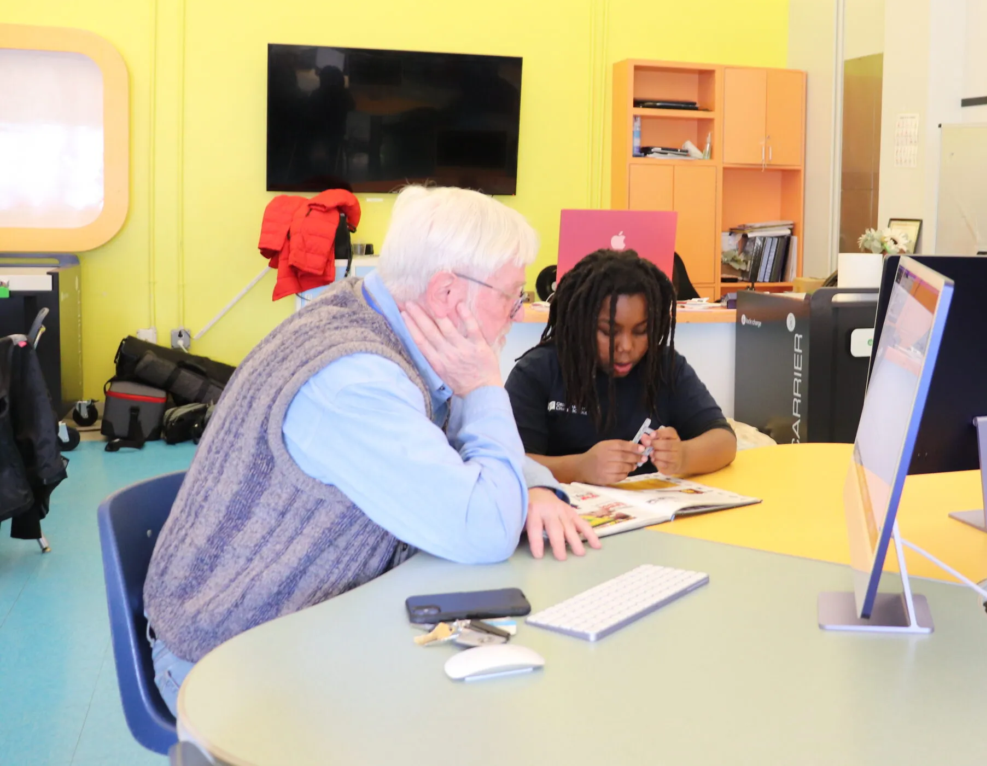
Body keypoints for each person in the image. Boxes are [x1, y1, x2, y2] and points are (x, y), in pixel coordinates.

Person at [142, 186, 598, 712]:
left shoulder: (379, 311)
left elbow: (442, 444)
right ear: (448, 292)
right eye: (511, 296)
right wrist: (485, 390)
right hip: (226, 656)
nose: (518, 314)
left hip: (305, 620)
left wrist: (535, 487)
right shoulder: (357, 381)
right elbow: (487, 530)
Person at [506, 249, 736, 485]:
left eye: (641, 331)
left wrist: (683, 455)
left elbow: (724, 441)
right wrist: (579, 468)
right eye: (609, 332)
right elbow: (510, 464)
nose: (626, 346)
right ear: (580, 323)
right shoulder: (537, 372)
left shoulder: (664, 366)